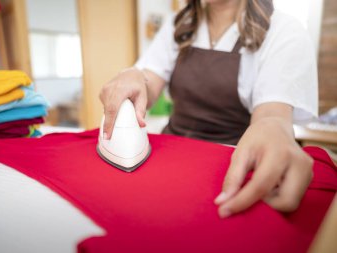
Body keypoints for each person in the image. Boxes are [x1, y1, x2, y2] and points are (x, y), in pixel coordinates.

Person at [99, 0, 317, 218]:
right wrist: (134, 77)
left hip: (229, 166)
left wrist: (274, 126)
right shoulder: (180, 24)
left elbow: (271, 115)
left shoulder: (284, 31)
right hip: (168, 159)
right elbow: (149, 83)